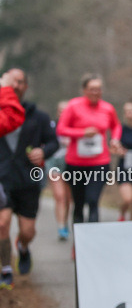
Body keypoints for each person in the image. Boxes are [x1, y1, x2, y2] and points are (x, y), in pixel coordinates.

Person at [0, 69, 55, 288]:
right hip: (2, 177)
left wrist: (44, 152)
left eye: (20, 82)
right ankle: (5, 268)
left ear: (26, 86)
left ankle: (23, 248)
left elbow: (53, 142)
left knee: (27, 231)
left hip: (28, 179)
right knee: (2, 224)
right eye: (10, 81)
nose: (15, 85)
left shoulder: (38, 116)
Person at [56, 75, 121, 225]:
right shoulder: (73, 106)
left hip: (100, 162)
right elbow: (61, 129)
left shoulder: (107, 108)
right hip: (75, 163)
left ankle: (92, 242)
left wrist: (115, 139)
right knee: (78, 203)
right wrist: (82, 133)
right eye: (92, 89)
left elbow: (116, 126)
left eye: (98, 89)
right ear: (84, 90)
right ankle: (78, 243)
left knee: (93, 201)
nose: (95, 92)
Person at [46, 100, 72, 240]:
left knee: (68, 198)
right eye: (60, 110)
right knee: (59, 196)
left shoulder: (75, 126)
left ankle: (65, 222)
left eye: (65, 109)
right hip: (54, 162)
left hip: (70, 163)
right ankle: (61, 227)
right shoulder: (51, 126)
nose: (63, 112)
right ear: (57, 111)